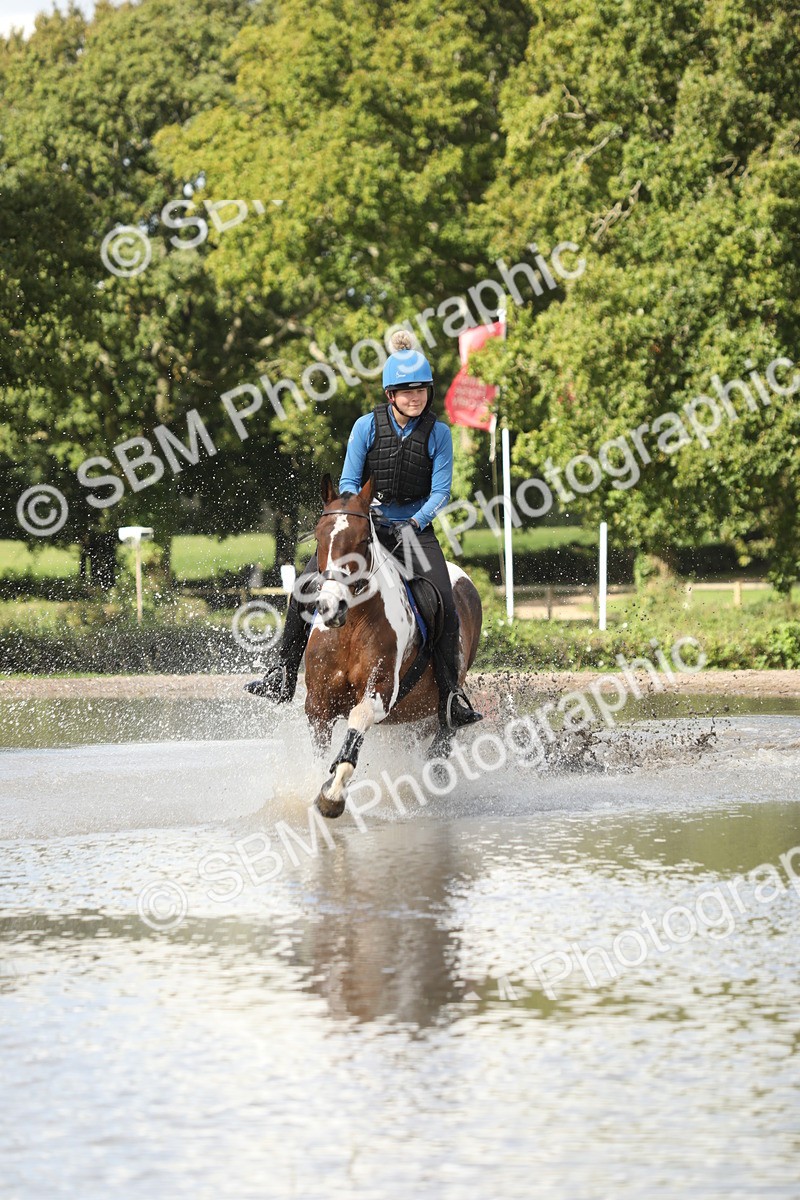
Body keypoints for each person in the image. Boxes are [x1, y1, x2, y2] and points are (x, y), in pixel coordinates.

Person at [246, 331, 482, 729]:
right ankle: (282, 673)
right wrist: (360, 517)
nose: (416, 397)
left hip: (414, 530)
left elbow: (441, 491)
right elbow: (349, 483)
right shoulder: (365, 428)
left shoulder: (439, 434)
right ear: (391, 394)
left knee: (442, 597)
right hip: (364, 525)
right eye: (407, 391)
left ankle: (451, 695)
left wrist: (415, 521)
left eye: (421, 390)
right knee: (305, 587)